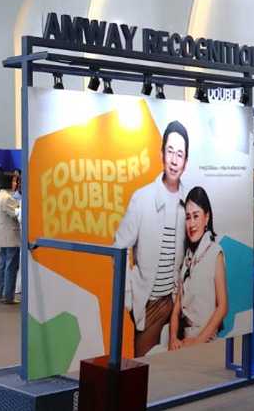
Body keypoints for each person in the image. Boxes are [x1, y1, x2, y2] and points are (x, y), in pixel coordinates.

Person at [113, 121, 189, 357]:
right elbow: (119, 248)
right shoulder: (142, 198)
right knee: (144, 365)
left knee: (178, 365)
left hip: (177, 302)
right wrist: (129, 297)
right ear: (161, 154)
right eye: (170, 151)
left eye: (180, 154)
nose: (174, 160)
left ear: (186, 161)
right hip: (149, 303)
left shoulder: (188, 202)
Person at [170, 187, 228, 350]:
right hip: (184, 340)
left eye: (196, 216)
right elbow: (176, 309)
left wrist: (198, 342)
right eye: (188, 217)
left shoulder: (215, 253)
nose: (192, 224)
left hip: (205, 341)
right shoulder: (187, 257)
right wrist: (173, 338)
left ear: (206, 217)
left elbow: (222, 307)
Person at [0, 171, 22, 303]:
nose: (16, 184)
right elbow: (16, 214)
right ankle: (8, 295)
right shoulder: (7, 198)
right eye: (14, 181)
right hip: (11, 236)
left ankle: (2, 293)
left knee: (3, 265)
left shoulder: (0, 195)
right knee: (10, 267)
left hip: (3, 236)